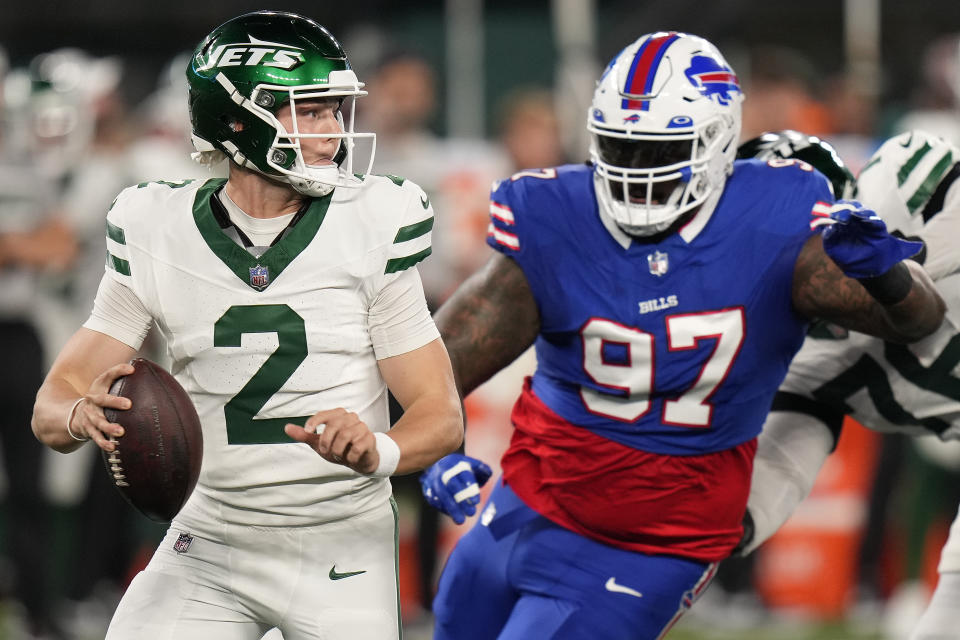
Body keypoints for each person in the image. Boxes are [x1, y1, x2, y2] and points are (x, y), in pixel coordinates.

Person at [416, 31, 945, 640]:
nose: (633, 171)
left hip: (657, 539)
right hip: (528, 500)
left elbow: (920, 322)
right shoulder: (558, 215)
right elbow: (434, 367)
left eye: (658, 151)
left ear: (717, 143)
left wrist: (884, 272)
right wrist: (435, 446)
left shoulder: (776, 220)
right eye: (619, 146)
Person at [29, 10, 463, 640]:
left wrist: (380, 447)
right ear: (238, 119)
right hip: (209, 541)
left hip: (338, 544)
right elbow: (53, 401)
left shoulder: (373, 220)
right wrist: (78, 416)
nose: (333, 132)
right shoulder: (156, 227)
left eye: (335, 111)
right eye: (309, 111)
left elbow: (440, 414)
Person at [732, 129, 960, 640]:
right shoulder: (800, 355)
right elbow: (781, 461)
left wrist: (905, 266)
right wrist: (712, 528)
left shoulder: (904, 180)